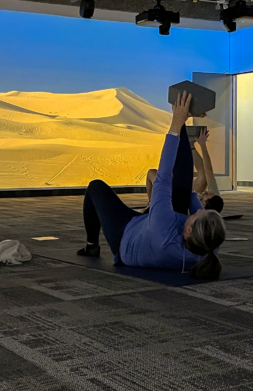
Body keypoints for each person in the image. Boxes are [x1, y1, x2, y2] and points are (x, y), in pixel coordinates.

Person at [78, 92, 227, 280]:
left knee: (95, 187)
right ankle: (183, 117)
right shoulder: (210, 241)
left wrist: (175, 124)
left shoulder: (162, 228)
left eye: (199, 214)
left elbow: (163, 176)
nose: (197, 210)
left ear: (188, 231)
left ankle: (92, 246)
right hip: (150, 224)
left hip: (126, 235)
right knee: (182, 191)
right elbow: (189, 196)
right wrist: (184, 119)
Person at [145, 126, 224, 213]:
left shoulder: (194, 212)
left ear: (204, 203)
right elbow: (209, 171)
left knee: (151, 173)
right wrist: (203, 145)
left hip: (173, 195)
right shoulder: (215, 198)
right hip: (185, 192)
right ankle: (190, 145)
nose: (207, 192)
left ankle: (152, 204)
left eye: (207, 194)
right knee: (204, 176)